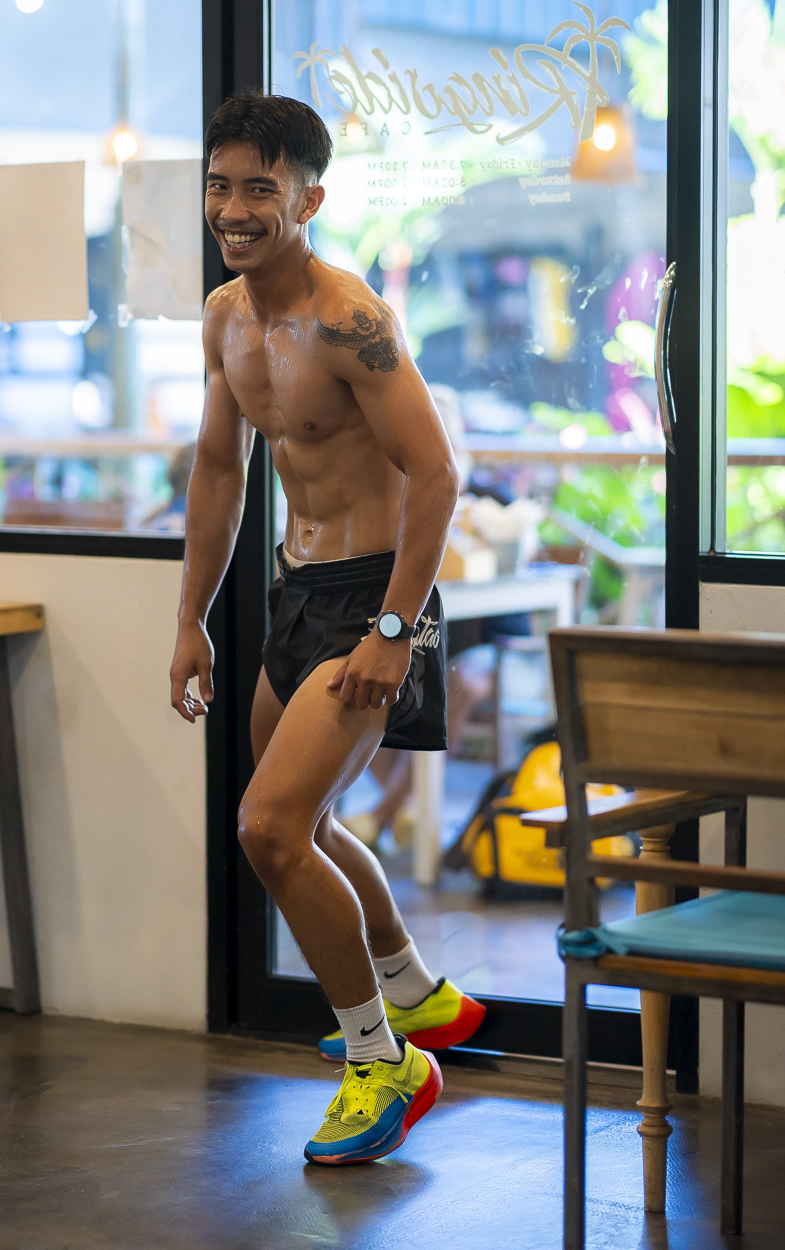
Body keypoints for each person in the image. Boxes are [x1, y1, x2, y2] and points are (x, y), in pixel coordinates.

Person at [169, 92, 485, 1166]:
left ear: (307, 200)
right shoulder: (224, 317)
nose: (234, 208)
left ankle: (383, 1060)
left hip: (371, 599)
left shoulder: (349, 318)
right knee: (301, 820)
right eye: (220, 185)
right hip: (296, 595)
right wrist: (192, 618)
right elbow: (220, 471)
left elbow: (438, 473)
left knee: (268, 827)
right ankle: (413, 991)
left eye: (259, 188)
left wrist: (395, 626)